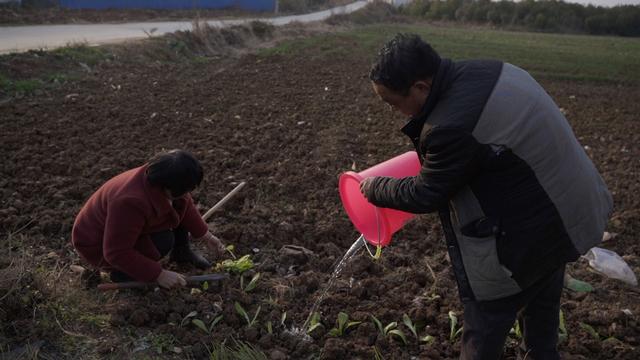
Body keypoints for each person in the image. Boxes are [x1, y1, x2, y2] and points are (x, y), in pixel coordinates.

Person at [360, 33, 612, 360]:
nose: (396, 112)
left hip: (535, 230)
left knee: (486, 323)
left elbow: (426, 193)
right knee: (543, 304)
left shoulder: (451, 126)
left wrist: (374, 188)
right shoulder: (490, 70)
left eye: (394, 103)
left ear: (421, 87)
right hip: (568, 209)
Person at [72, 149, 226, 289]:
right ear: (166, 186)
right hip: (96, 245)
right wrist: (158, 274)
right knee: (163, 240)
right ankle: (122, 273)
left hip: (119, 231)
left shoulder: (162, 175)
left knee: (177, 208)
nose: (187, 193)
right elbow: (116, 252)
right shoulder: (129, 202)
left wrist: (206, 236)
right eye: (183, 190)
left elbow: (185, 204)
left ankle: (181, 253)